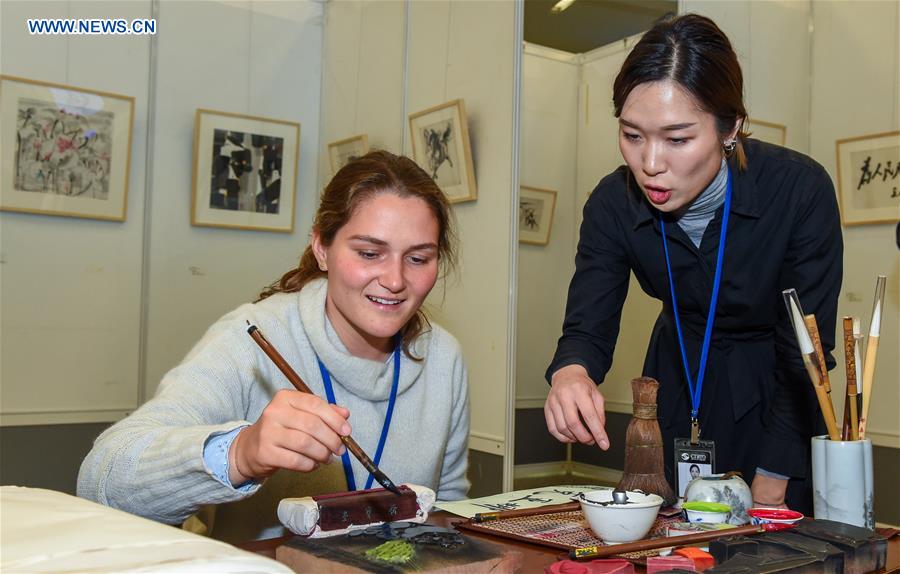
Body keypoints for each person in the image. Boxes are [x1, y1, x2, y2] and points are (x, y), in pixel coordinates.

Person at [78, 150, 470, 541]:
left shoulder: (444, 357)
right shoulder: (250, 338)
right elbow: (102, 481)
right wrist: (241, 453)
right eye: (369, 253)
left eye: (418, 258)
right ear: (321, 248)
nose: (395, 279)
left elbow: (447, 507)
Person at [543, 14, 842, 515]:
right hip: (676, 381)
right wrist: (570, 374)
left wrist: (774, 476)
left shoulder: (797, 191)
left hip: (780, 399)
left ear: (732, 127)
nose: (651, 163)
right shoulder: (613, 203)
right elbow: (588, 326)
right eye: (632, 135)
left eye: (678, 139)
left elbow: (805, 355)